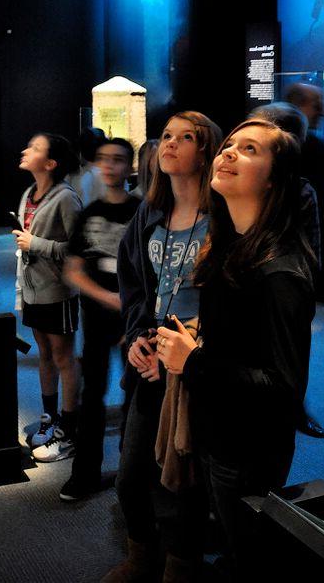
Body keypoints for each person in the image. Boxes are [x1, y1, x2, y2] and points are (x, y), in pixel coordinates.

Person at [154, 118, 316, 579]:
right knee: (228, 541)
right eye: (229, 146)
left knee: (250, 556)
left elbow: (284, 389)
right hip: (217, 429)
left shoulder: (281, 271)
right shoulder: (231, 246)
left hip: (246, 446)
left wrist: (194, 361)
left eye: (249, 150)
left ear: (275, 179)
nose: (228, 154)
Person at [105, 111, 222, 582]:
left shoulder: (224, 219)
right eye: (167, 136)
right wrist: (136, 338)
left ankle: (182, 565)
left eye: (185, 137)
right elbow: (133, 284)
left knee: (183, 478)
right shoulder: (149, 214)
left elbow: (234, 299)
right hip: (150, 356)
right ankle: (142, 557)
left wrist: (193, 343)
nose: (170, 144)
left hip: (195, 361)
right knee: (131, 476)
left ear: (206, 151)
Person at [58, 138, 140, 499]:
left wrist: (132, 306)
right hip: (97, 318)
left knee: (136, 397)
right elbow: (73, 271)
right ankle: (85, 474)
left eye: (118, 160)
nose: (110, 166)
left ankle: (132, 475)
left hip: (134, 321)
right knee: (92, 395)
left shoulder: (143, 212)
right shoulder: (88, 212)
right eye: (104, 160)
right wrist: (107, 296)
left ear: (129, 166)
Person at [250, 102, 324, 438]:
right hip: (252, 285)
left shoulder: (300, 189)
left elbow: (310, 245)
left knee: (292, 357)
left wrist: (305, 292)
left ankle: (293, 408)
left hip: (286, 287)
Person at [14, 133, 83, 460]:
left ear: (51, 163)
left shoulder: (66, 198)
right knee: (44, 353)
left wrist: (37, 245)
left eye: (35, 148)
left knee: (63, 358)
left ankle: (69, 430)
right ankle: (49, 416)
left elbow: (80, 248)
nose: (26, 150)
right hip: (33, 291)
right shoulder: (29, 193)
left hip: (58, 293)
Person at [284, 83, 324, 217]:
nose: (323, 113)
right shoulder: (314, 146)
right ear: (297, 106)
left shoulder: (315, 145)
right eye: (317, 106)